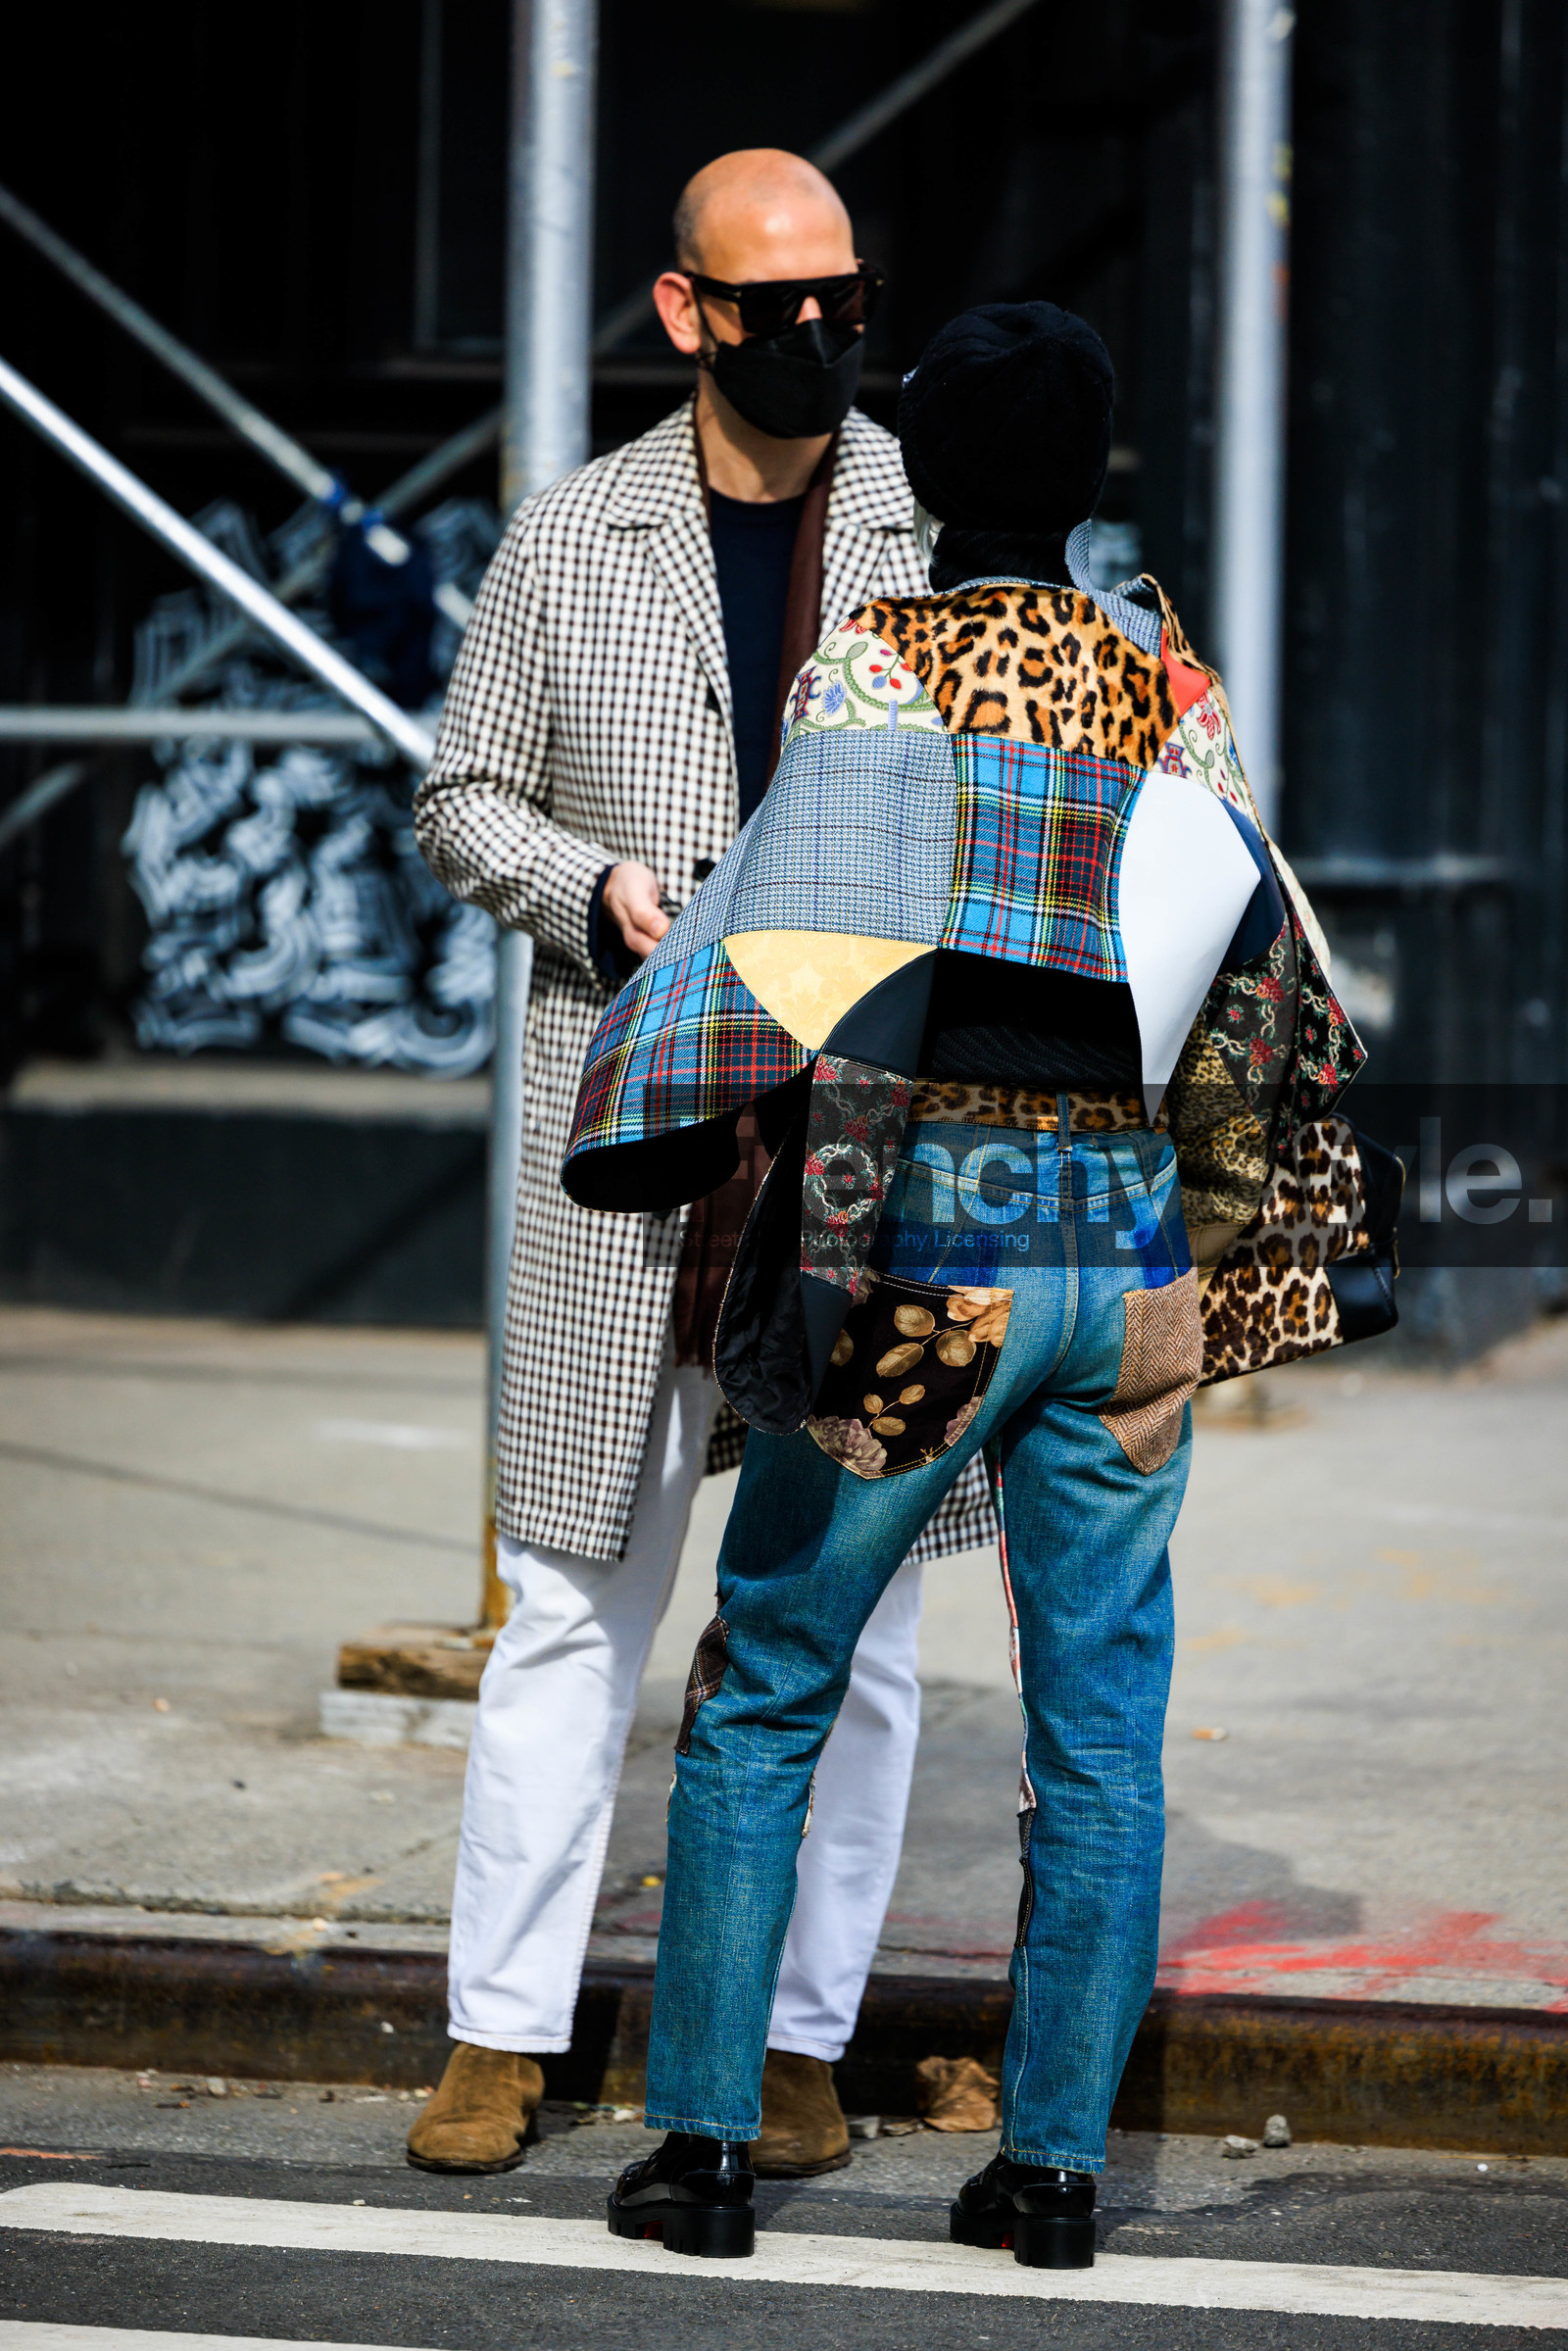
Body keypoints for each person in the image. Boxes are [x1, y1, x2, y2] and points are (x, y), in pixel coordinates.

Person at [562, 302, 1382, 2263]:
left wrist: (649, 1092)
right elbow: (1271, 987)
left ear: (917, 478)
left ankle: (700, 2155)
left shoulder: (877, 670)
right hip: (1128, 1274)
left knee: (767, 1678)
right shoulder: (1163, 687)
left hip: (934, 1256)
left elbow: (788, 940)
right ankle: (1052, 2176)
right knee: (1101, 1732)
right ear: (1087, 481)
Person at [409, 149, 994, 2180]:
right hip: (634, 1155)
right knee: (574, 1604)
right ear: (683, 313)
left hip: (865, 1158)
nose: (819, 334)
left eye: (846, 293)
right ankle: (501, 2026)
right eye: (773, 303)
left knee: (861, 1632)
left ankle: (798, 2035)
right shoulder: (571, 538)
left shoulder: (935, 524)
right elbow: (458, 796)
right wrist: (595, 884)